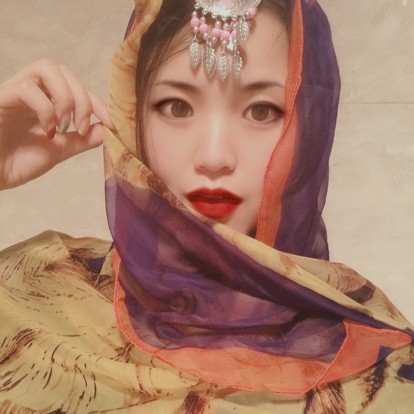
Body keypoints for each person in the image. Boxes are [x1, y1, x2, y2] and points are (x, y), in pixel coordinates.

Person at [0, 0, 413, 412]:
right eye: (177, 107)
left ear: (310, 131)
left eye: (261, 111)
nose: (214, 156)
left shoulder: (386, 372)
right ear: (133, 117)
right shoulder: (32, 292)